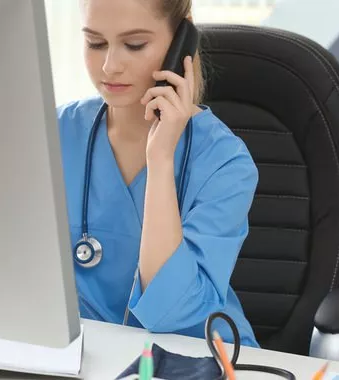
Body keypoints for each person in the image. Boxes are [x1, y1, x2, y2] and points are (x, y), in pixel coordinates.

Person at [56, 0, 260, 348]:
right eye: (95, 43)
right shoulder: (56, 133)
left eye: (134, 45)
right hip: (84, 358)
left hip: (197, 359)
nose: (110, 66)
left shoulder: (226, 162)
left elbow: (173, 313)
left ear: (181, 42)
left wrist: (161, 158)